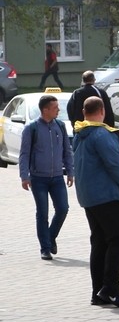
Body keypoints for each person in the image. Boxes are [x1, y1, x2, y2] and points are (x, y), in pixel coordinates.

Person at [73, 95, 119, 308]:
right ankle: (109, 288)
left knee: (100, 242)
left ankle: (100, 292)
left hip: (90, 197)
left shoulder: (80, 134)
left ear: (84, 113)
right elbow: (115, 166)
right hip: (109, 196)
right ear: (102, 112)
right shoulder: (103, 135)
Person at [19, 93, 73, 260]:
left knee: (63, 208)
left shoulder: (60, 126)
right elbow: (25, 153)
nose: (58, 110)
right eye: (55, 108)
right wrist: (24, 176)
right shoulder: (32, 128)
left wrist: (70, 171)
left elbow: (67, 150)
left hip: (57, 177)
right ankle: (45, 248)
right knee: (42, 212)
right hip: (38, 178)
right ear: (45, 110)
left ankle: (50, 237)